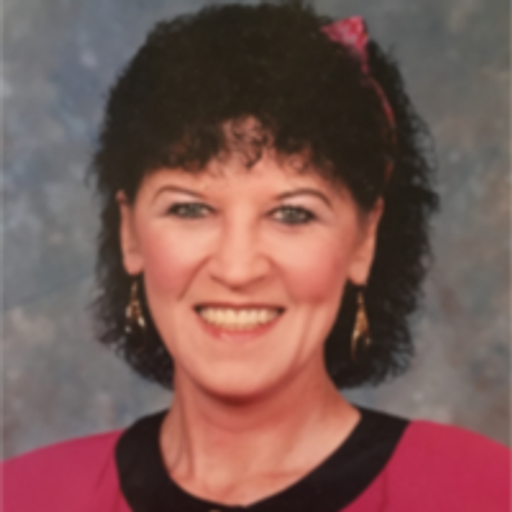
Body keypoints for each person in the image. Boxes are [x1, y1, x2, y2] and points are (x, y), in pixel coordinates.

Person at [1, 2, 510, 511]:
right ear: (130, 234)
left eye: (292, 214)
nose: (237, 268)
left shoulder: (482, 491)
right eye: (190, 209)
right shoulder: (22, 496)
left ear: (364, 240)